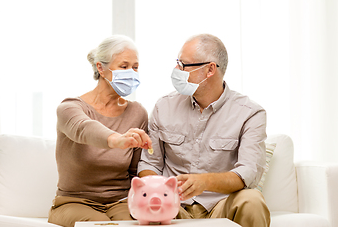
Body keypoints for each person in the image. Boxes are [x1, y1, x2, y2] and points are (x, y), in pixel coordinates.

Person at [138, 33, 270, 227]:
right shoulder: (163, 107)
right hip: (173, 206)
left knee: (252, 200)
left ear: (210, 69)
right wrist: (160, 192)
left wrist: (204, 182)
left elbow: (248, 172)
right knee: (144, 206)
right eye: (177, 63)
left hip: (221, 204)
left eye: (183, 65)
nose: (176, 70)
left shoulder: (251, 113)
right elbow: (149, 163)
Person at [48, 35, 152, 227]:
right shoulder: (70, 108)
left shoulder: (138, 112)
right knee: (101, 225)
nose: (131, 72)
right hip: (74, 202)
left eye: (135, 67)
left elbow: (135, 170)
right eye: (124, 66)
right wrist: (117, 140)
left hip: (120, 202)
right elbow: (84, 128)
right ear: (101, 68)